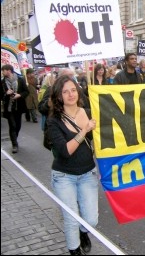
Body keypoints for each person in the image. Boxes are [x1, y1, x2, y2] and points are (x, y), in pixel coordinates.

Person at [47, 74, 98, 255]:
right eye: (65, 91)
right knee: (71, 220)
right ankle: (74, 250)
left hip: (88, 174)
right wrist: (85, 130)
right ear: (59, 96)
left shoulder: (89, 113)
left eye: (73, 90)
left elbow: (100, 142)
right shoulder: (54, 121)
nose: (70, 94)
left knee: (91, 220)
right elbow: (66, 150)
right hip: (64, 177)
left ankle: (84, 233)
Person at [1, 64, 29, 153]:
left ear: (9, 70)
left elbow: (26, 91)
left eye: (3, 70)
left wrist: (19, 95)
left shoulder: (20, 79)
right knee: (12, 125)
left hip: (18, 107)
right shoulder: (2, 82)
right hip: (9, 108)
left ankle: (14, 138)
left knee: (18, 125)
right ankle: (14, 144)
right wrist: (6, 93)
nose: (2, 72)